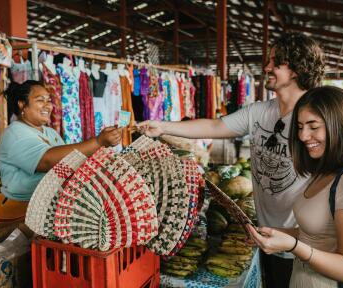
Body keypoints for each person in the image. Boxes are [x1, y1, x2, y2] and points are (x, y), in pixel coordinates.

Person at [137, 32, 325, 287]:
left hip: (302, 242)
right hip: (265, 237)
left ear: (296, 68)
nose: (266, 67)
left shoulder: (316, 121)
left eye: (275, 62)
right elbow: (215, 126)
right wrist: (162, 127)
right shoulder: (260, 112)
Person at [247, 86, 343, 287]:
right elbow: (318, 235)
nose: (302, 135)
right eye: (300, 126)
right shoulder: (324, 171)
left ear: (339, 125)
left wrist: (292, 246)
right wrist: (274, 232)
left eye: (313, 126)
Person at [0, 80, 122, 229]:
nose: (48, 106)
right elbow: (48, 161)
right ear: (22, 104)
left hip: (47, 205)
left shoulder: (49, 132)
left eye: (49, 100)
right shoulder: (14, 134)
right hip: (21, 210)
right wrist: (98, 142)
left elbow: (70, 161)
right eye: (40, 100)